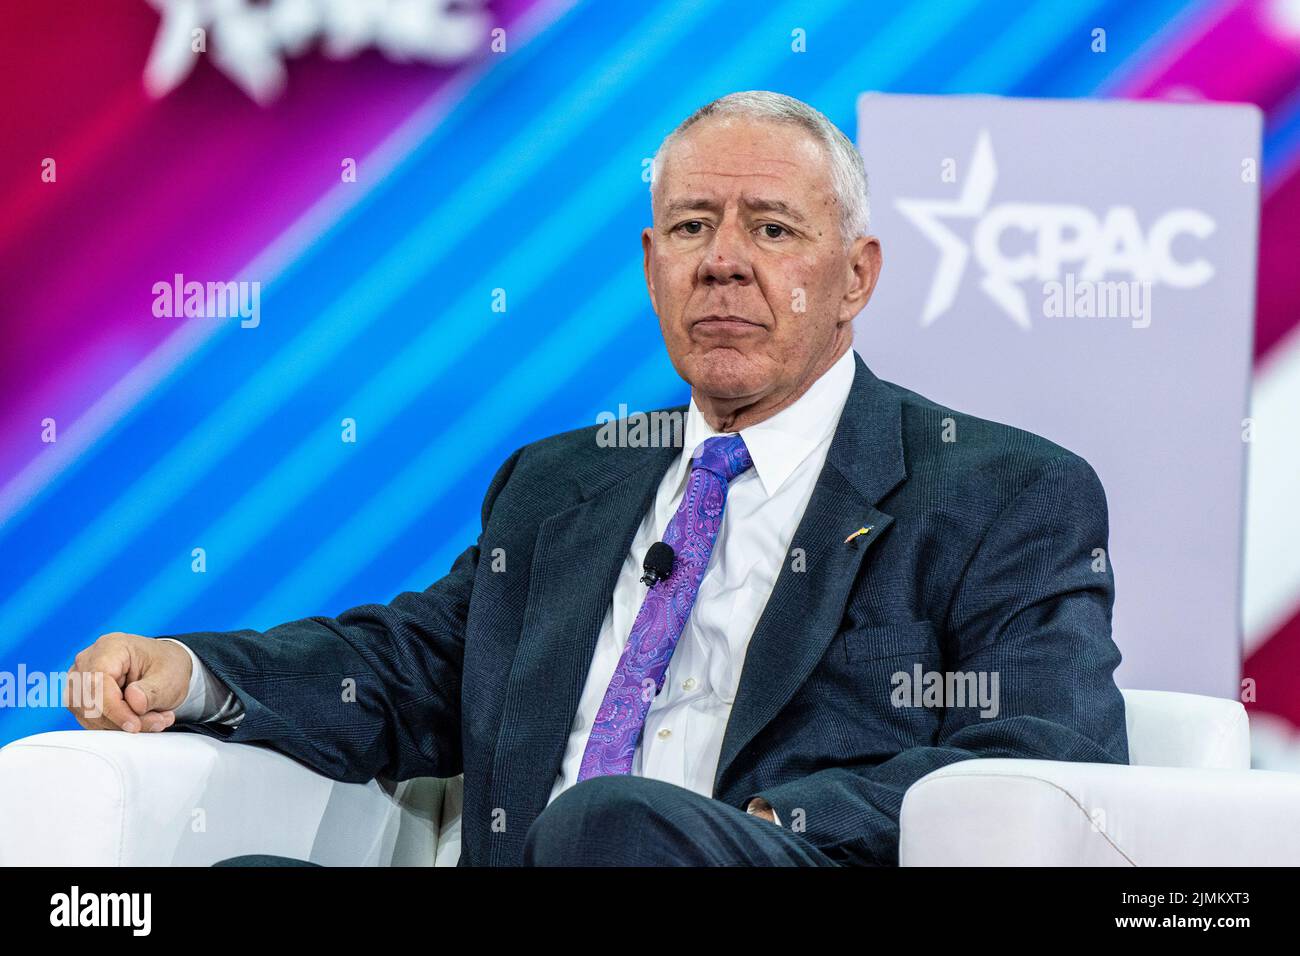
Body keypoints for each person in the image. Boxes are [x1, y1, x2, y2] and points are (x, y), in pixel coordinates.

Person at [65, 90, 1128, 866]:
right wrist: (193, 670)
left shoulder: (998, 492)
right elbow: (408, 665)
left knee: (611, 820)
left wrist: (772, 823)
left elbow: (1045, 750)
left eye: (770, 228)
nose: (721, 260)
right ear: (650, 262)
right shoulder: (561, 482)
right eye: (689, 227)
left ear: (854, 276)